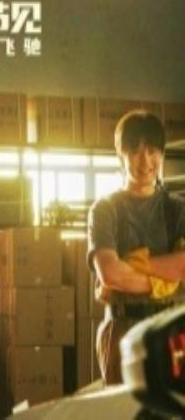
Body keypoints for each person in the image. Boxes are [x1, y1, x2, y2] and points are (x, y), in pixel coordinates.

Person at [88, 110, 185, 385]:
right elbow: (111, 274)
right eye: (135, 151)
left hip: (171, 329)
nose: (145, 161)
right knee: (123, 406)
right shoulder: (105, 210)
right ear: (121, 156)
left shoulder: (176, 209)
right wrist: (165, 280)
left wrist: (135, 265)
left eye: (152, 151)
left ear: (162, 155)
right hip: (122, 328)